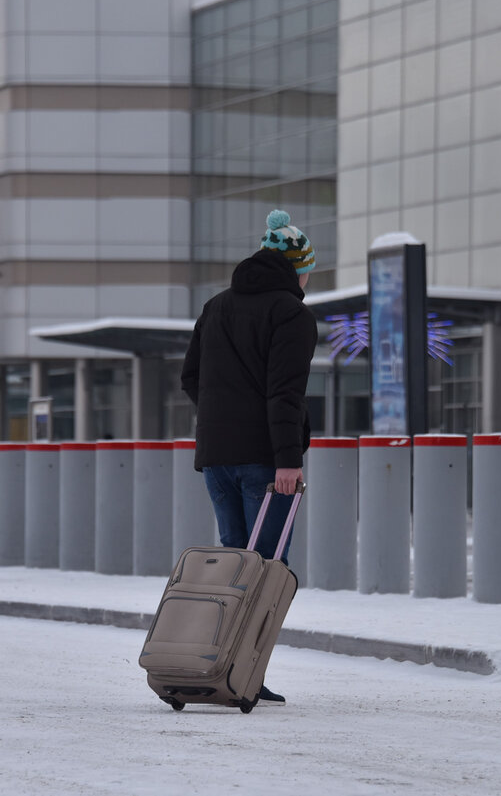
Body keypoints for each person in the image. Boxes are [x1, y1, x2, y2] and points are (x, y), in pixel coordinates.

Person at [181, 209, 318, 705]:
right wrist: (287, 459)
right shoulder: (291, 314)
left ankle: (223, 670)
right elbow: (286, 394)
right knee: (266, 573)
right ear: (296, 268)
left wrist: (224, 419)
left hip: (217, 459)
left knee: (234, 572)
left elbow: (191, 378)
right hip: (266, 463)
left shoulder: (216, 306)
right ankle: (244, 673)